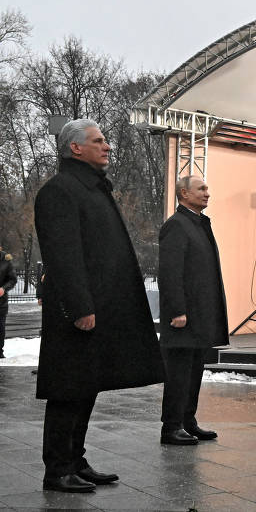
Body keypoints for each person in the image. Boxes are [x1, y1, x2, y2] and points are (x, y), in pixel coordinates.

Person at [33, 119, 164, 493]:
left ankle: (75, 461)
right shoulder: (60, 190)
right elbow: (63, 256)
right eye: (99, 140)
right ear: (76, 147)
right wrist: (79, 307)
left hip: (99, 306)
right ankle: (57, 469)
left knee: (86, 385)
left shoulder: (91, 188)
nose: (107, 146)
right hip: (77, 310)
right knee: (67, 389)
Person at [158, 175, 229, 445]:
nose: (207, 193)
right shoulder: (176, 225)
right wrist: (177, 310)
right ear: (184, 194)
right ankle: (171, 427)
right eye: (201, 189)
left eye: (207, 188)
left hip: (200, 316)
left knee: (194, 370)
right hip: (183, 317)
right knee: (178, 373)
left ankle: (188, 422)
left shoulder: (198, 224)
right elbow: (170, 272)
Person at [0, 244, 16, 359]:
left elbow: (12, 279)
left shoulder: (5, 259)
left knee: (0, 328)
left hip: (1, 302)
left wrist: (3, 289)